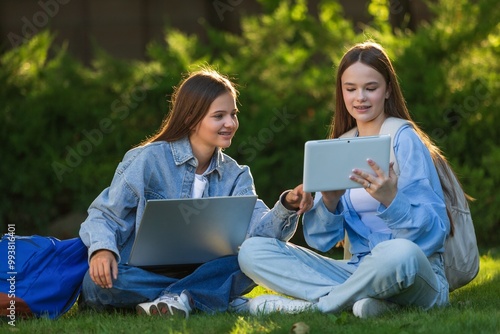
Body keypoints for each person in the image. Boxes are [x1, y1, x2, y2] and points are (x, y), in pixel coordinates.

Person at [238, 41, 457, 318]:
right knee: (252, 251)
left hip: (415, 270)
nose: (360, 98)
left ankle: (321, 306)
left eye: (371, 88)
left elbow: (434, 232)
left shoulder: (405, 139)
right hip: (359, 269)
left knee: (399, 252)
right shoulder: (340, 145)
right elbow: (320, 240)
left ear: (388, 89)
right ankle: (369, 302)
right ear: (341, 91)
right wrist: (329, 201)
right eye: (350, 89)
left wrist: (392, 200)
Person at [78, 68, 312, 318]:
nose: (230, 123)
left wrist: (287, 205)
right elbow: (104, 214)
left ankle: (185, 296)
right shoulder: (148, 159)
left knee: (249, 261)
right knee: (98, 284)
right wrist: (103, 250)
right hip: (142, 273)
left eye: (233, 114)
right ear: (191, 118)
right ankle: (205, 296)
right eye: (219, 116)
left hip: (207, 269)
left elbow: (261, 236)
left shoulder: (237, 175)